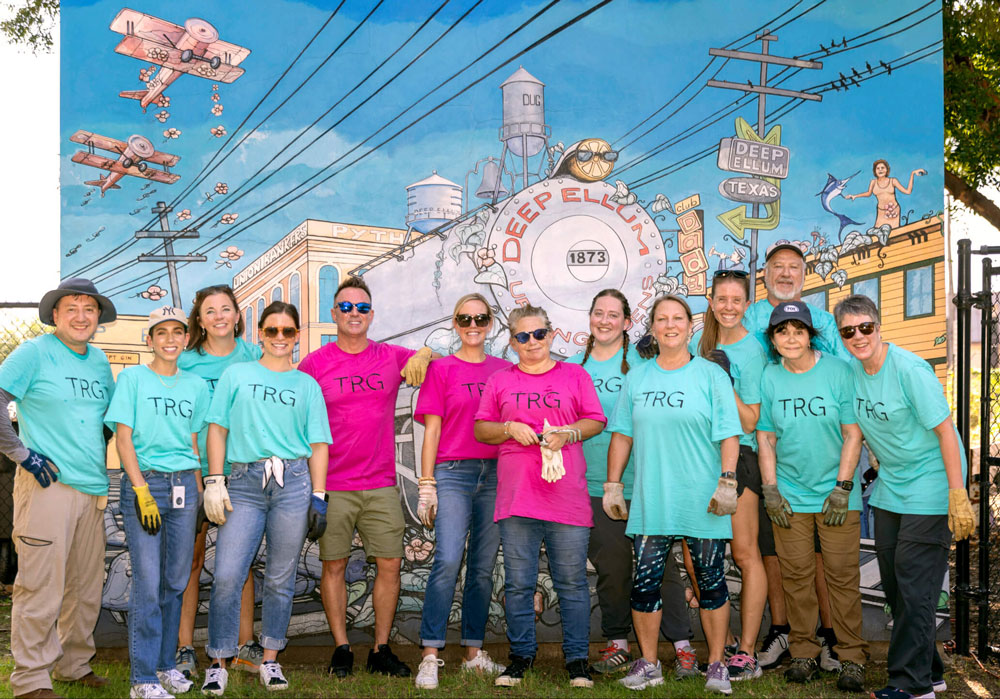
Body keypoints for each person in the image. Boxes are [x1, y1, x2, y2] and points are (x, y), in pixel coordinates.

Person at [834, 294, 974, 699]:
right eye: (849, 331)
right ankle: (929, 670)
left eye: (865, 327)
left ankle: (910, 685)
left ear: (879, 327)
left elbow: (947, 432)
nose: (858, 336)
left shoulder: (909, 369)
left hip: (932, 486)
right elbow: (857, 432)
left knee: (915, 585)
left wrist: (957, 494)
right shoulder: (854, 372)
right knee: (895, 588)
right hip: (891, 488)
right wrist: (843, 487)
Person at [605, 294, 742, 695]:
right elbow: (622, 434)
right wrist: (614, 484)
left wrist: (728, 480)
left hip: (704, 499)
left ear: (690, 325)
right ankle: (649, 664)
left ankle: (716, 665)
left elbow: (728, 434)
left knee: (712, 582)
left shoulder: (711, 375)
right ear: (652, 328)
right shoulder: (638, 377)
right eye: (662, 319)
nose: (670, 325)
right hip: (653, 499)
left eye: (677, 318)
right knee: (645, 584)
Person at [298, 276, 434, 679]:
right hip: (332, 483)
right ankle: (342, 647)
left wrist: (426, 351)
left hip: (380, 483)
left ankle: (380, 648)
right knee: (334, 565)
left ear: (371, 315)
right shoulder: (314, 364)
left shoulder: (391, 356)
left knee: (390, 564)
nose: (353, 314)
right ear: (333, 313)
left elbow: (445, 360)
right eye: (345, 307)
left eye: (361, 307)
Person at [200, 301, 332, 695]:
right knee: (226, 575)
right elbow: (217, 428)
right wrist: (214, 479)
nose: (279, 338)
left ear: (296, 336)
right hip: (242, 480)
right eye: (271, 330)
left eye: (287, 331)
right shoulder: (237, 374)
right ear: (258, 333)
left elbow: (318, 443)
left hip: (293, 481)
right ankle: (219, 660)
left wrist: (319, 494)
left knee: (280, 577)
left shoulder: (306, 384)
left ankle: (270, 660)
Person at [567, 289, 698, 678]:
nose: (604, 320)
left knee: (660, 568)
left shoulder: (644, 365)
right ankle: (618, 643)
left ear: (627, 322)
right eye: (598, 313)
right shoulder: (572, 368)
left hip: (645, 483)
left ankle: (683, 646)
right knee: (611, 565)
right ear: (589, 318)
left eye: (614, 315)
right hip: (592, 484)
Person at [474, 304, 605, 689]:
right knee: (518, 583)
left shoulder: (575, 375)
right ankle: (520, 658)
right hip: (517, 498)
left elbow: (596, 420)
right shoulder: (499, 380)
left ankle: (578, 661)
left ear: (551, 334)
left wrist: (570, 433)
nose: (532, 342)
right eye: (522, 336)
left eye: (539, 334)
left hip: (566, 496)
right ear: (512, 341)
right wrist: (508, 428)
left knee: (572, 582)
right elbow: (482, 430)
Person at [0, 278, 116, 699]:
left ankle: (73, 665)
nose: (82, 316)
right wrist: (22, 454)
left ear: (98, 318)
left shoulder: (100, 361)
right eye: (72, 308)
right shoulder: (35, 352)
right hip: (48, 485)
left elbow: (107, 419)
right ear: (54, 315)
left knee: (84, 588)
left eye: (90, 309)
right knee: (40, 587)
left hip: (92, 489)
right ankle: (30, 680)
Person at [742, 241, 848, 669]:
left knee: (821, 557)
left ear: (805, 274)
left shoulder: (823, 320)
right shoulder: (747, 317)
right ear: (764, 273)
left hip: (817, 456)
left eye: (793, 267)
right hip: (758, 451)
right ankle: (783, 632)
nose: (785, 274)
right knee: (775, 550)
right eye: (777, 267)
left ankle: (828, 637)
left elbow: (845, 378)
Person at [756, 301, 869, 693]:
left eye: (798, 330)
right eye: (782, 331)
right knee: (797, 576)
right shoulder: (770, 377)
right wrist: (770, 490)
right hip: (789, 495)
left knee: (842, 577)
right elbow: (766, 436)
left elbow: (853, 433)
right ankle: (803, 650)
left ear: (810, 335)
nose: (791, 338)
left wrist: (842, 488)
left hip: (836, 495)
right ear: (772, 339)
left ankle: (851, 655)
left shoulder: (838, 372)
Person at [105, 306, 210, 699]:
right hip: (146, 486)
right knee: (148, 584)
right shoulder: (132, 378)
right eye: (160, 332)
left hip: (185, 486)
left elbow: (195, 443)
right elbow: (123, 438)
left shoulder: (197, 386)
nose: (169, 339)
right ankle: (142, 679)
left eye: (177, 332)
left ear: (187, 338)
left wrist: (200, 495)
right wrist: (140, 489)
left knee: (174, 582)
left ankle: (166, 666)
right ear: (148, 340)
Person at [413, 293, 510, 689]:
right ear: (454, 324)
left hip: (497, 475)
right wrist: (426, 484)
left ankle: (473, 652)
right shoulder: (441, 369)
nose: (472, 325)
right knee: (448, 560)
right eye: (464, 319)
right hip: (452, 473)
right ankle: (430, 655)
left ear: (490, 324)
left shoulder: (506, 369)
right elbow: (431, 429)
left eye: (480, 318)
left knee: (483, 569)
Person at [176, 285, 262, 679]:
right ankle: (182, 647)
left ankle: (245, 647)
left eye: (226, 308)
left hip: (242, 472)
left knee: (238, 564)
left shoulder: (254, 356)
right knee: (190, 562)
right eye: (209, 310)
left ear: (238, 315)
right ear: (199, 319)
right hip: (195, 472)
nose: (219, 316)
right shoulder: (187, 361)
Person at [690, 269, 768, 681]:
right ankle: (722, 644)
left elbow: (752, 419)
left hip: (739, 458)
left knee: (742, 553)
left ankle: (748, 651)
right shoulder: (695, 342)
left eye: (737, 300)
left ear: (746, 304)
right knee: (697, 557)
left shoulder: (753, 350)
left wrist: (725, 380)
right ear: (711, 299)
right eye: (722, 299)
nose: (729, 307)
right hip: (695, 457)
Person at [844, 160, 926, 230]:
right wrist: (854, 196)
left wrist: (912, 174)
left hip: (893, 212)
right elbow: (868, 193)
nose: (880, 170)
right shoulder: (873, 182)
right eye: (878, 168)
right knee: (878, 234)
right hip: (881, 212)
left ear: (887, 170)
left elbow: (908, 191)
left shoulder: (893, 180)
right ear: (875, 171)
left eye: (882, 168)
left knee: (893, 234)